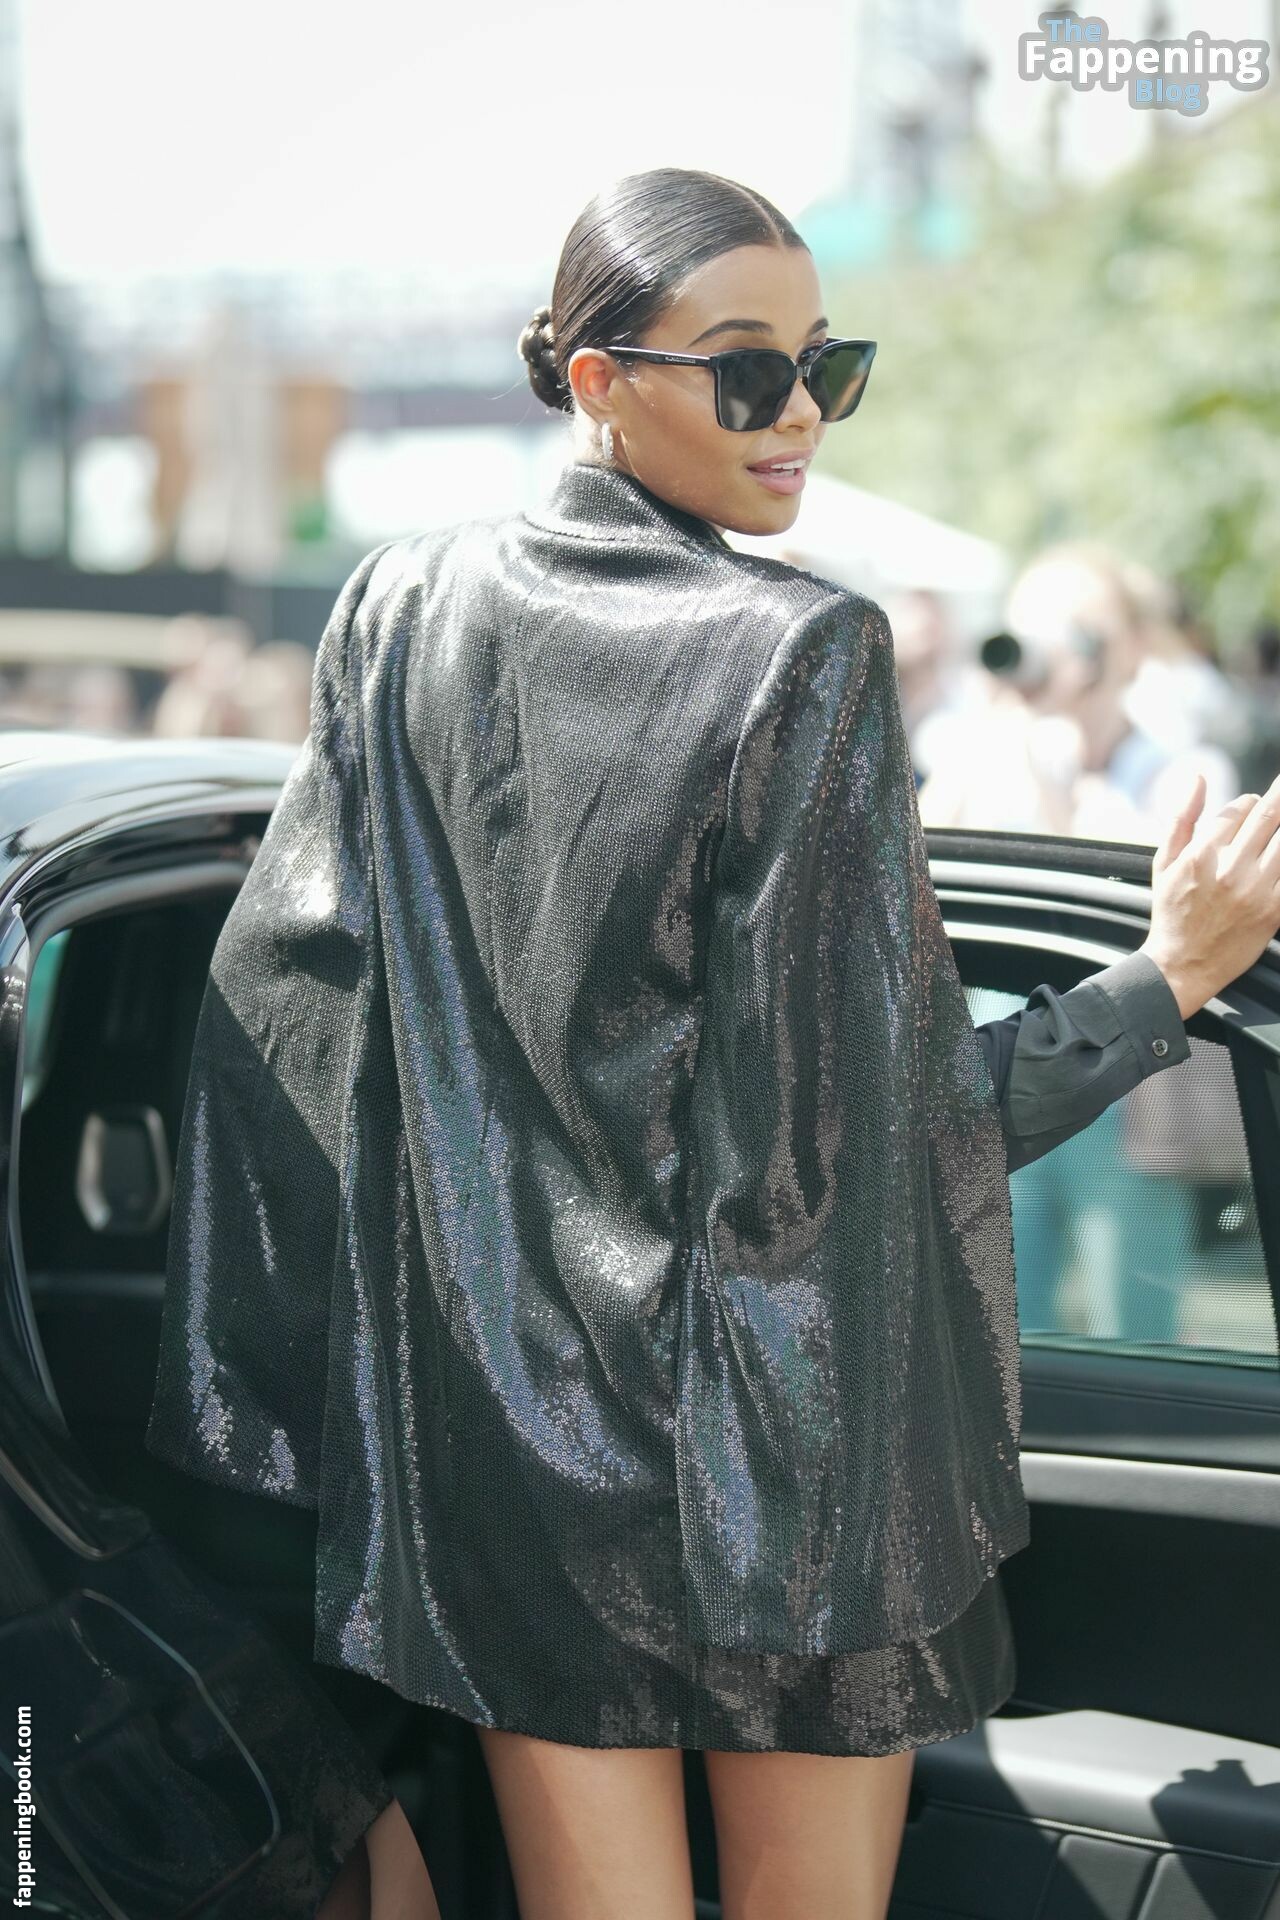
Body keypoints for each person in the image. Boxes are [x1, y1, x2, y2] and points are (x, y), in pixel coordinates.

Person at [143, 168, 1280, 1920]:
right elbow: (871, 1144)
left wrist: (376, 1398)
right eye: (750, 370)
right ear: (598, 380)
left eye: (830, 364)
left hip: (505, 1453)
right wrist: (1165, 982)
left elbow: (287, 1019)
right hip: (784, 1471)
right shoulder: (802, 652)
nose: (802, 413)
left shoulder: (392, 610)